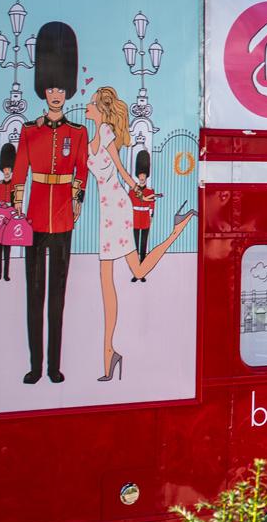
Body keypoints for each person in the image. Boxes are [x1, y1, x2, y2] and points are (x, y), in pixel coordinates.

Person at [85, 84, 199, 382]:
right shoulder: (94, 137)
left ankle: (109, 354)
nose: (87, 105)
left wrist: (140, 192)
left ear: (101, 108)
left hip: (116, 209)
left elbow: (122, 171)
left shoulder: (106, 134)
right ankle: (177, 228)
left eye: (92, 103)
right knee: (133, 269)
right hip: (108, 210)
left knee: (108, 281)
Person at [12, 22, 87, 385]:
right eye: (51, 87)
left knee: (57, 296)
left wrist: (75, 205)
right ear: (44, 89)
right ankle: (34, 365)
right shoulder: (30, 130)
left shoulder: (78, 133)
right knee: (34, 294)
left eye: (61, 87)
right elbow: (19, 176)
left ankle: (54, 366)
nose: (56, 93)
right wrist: (15, 211)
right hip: (35, 217)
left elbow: (81, 173)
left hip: (62, 220)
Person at [0, 141, 17, 283]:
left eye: (9, 169)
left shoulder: (15, 186)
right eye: (5, 169)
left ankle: (6, 274)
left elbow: (16, 204)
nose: (6, 171)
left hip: (10, 222)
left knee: (7, 250)